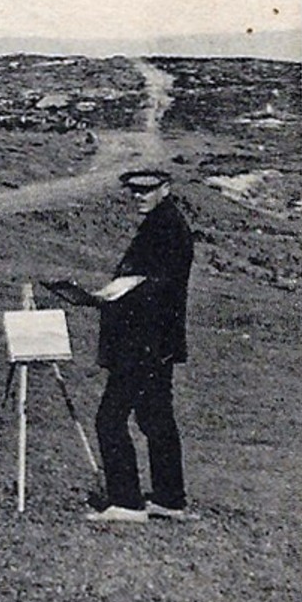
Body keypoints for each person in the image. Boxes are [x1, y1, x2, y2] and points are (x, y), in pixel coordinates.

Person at [83, 169, 196, 523]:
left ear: (166, 188)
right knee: (155, 417)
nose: (138, 196)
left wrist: (117, 294)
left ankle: (127, 501)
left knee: (110, 418)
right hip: (157, 342)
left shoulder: (165, 227)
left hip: (142, 342)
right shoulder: (165, 223)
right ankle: (169, 499)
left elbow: (160, 287)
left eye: (146, 190)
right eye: (133, 190)